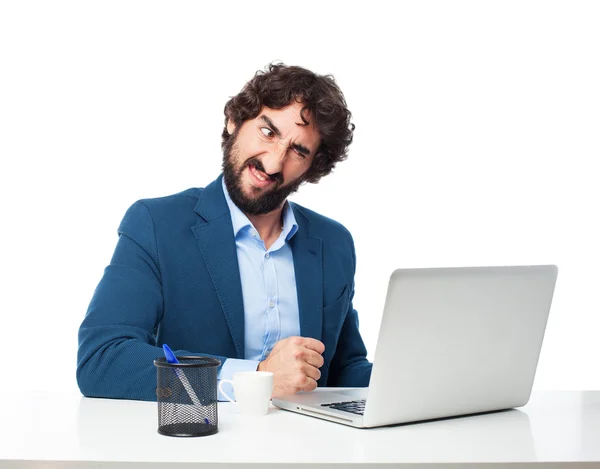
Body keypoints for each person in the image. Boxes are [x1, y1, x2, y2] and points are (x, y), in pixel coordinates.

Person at [76, 63, 372, 401]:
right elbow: (103, 361)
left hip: (306, 447)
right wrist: (257, 379)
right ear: (235, 121)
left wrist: (424, 377)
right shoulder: (156, 225)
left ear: (312, 167)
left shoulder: (333, 243)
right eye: (267, 132)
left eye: (298, 150)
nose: (274, 163)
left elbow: (344, 370)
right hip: (203, 443)